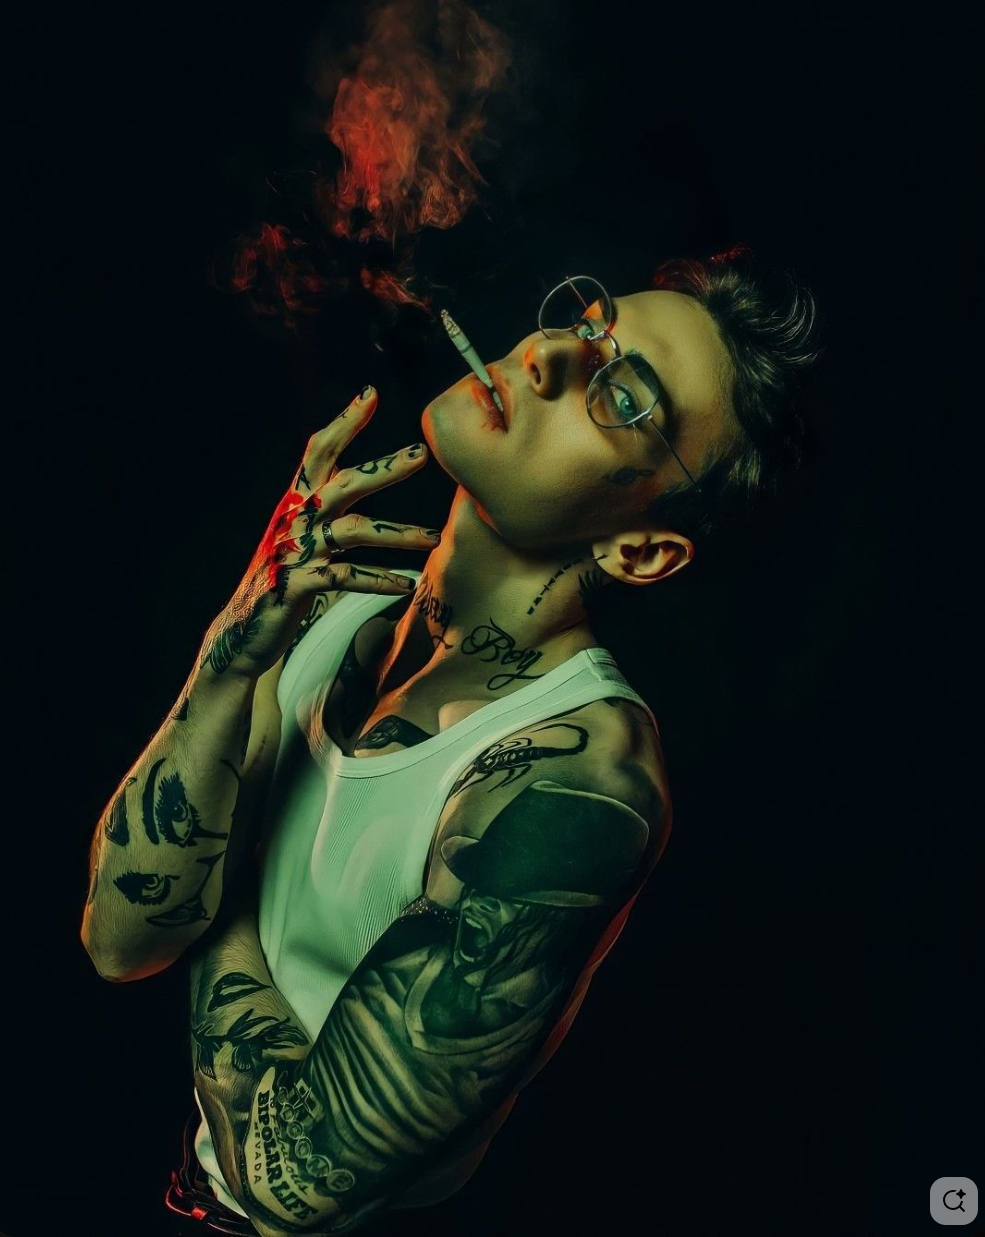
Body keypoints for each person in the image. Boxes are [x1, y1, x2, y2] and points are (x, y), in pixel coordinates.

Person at [81, 245, 821, 1235]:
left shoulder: (574, 784)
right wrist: (227, 659)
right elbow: (119, 940)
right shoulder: (327, 598)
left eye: (621, 394)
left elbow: (296, 1178)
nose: (550, 353)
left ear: (639, 548)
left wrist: (229, 866)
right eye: (586, 323)